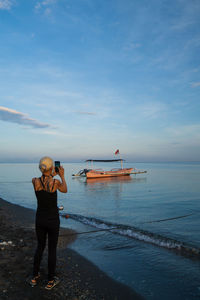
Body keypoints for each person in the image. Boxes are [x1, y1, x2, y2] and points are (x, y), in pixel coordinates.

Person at [30, 156, 67, 290]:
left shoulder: (34, 181)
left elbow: (44, 180)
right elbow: (64, 189)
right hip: (52, 220)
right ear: (52, 167)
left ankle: (34, 277)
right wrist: (62, 176)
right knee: (52, 250)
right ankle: (50, 280)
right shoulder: (55, 182)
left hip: (39, 219)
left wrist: (51, 173)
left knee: (40, 247)